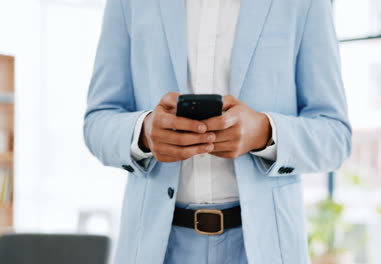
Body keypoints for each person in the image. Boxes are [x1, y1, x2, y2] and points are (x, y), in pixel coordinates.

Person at [83, 0, 351, 262]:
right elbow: (98, 120)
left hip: (264, 246)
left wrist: (265, 133)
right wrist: (143, 133)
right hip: (156, 246)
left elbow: (336, 136)